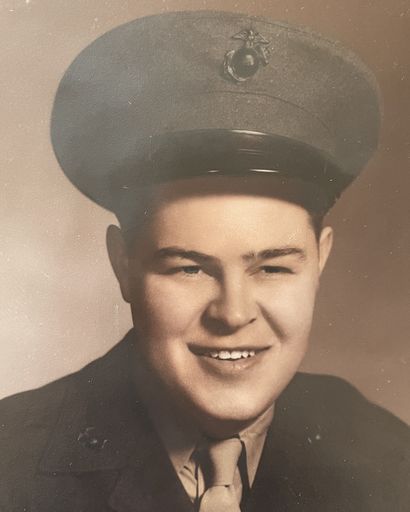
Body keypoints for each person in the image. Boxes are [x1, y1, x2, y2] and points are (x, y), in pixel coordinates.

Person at [0, 10, 408, 512]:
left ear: (320, 260)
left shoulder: (387, 457)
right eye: (188, 268)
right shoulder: (12, 467)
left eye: (273, 268)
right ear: (123, 265)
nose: (233, 314)